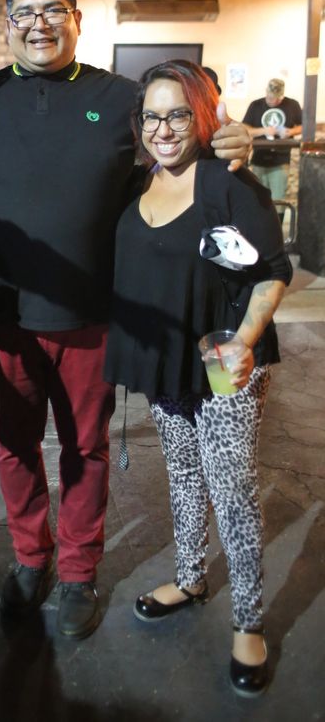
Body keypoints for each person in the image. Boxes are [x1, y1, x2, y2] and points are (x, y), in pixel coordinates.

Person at [0, 0, 251, 640]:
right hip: (2, 311)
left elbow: (183, 151)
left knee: (85, 448)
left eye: (53, 10)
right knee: (14, 443)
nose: (39, 24)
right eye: (25, 13)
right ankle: (31, 558)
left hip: (91, 315)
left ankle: (78, 571)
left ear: (76, 19)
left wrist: (230, 140)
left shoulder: (122, 98)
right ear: (9, 23)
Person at [104, 60, 292, 696]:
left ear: (201, 116)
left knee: (232, 490)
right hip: (165, 360)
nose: (163, 129)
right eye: (151, 116)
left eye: (178, 114)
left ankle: (248, 620)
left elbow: (272, 270)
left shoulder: (225, 182)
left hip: (220, 359)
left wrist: (244, 341)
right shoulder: (138, 183)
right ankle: (190, 579)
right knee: (183, 475)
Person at [243, 78, 302, 205]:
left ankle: (278, 218)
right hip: (259, 159)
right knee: (258, 199)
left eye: (275, 98)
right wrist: (263, 131)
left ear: (281, 96)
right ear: (266, 92)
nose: (272, 100)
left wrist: (291, 132)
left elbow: (304, 126)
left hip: (280, 160)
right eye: (269, 97)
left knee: (278, 199)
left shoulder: (292, 105)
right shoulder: (256, 105)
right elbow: (245, 128)